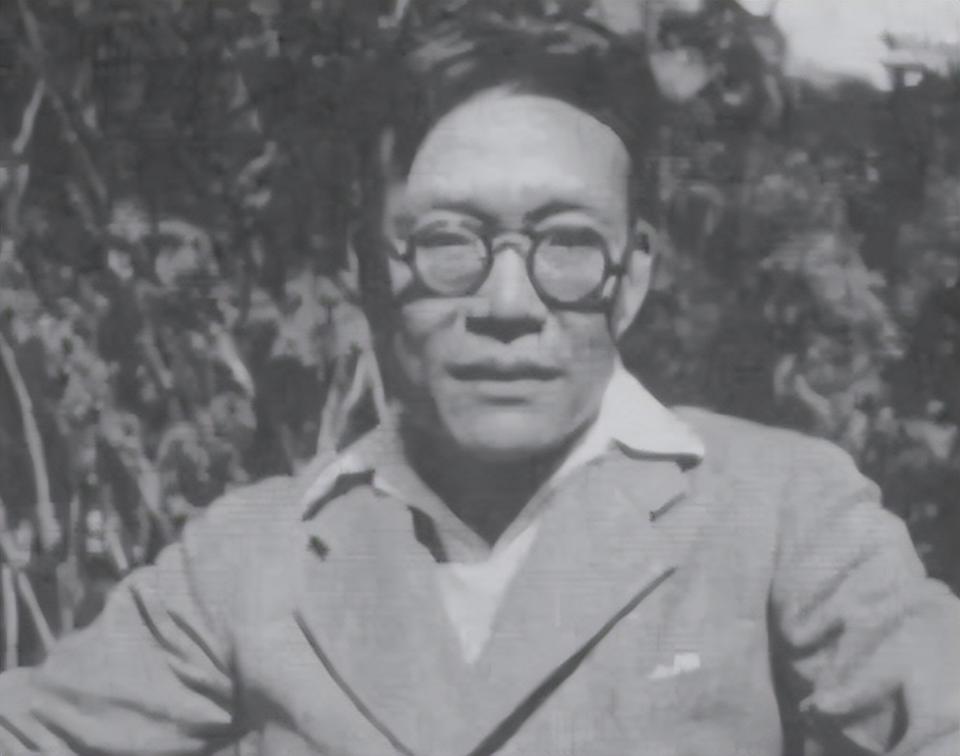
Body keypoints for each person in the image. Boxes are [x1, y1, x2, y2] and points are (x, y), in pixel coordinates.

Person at [0, 12, 957, 756]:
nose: (507, 304)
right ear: (370, 270)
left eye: (566, 244)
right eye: (447, 242)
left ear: (633, 276)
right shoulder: (253, 559)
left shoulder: (779, 512)